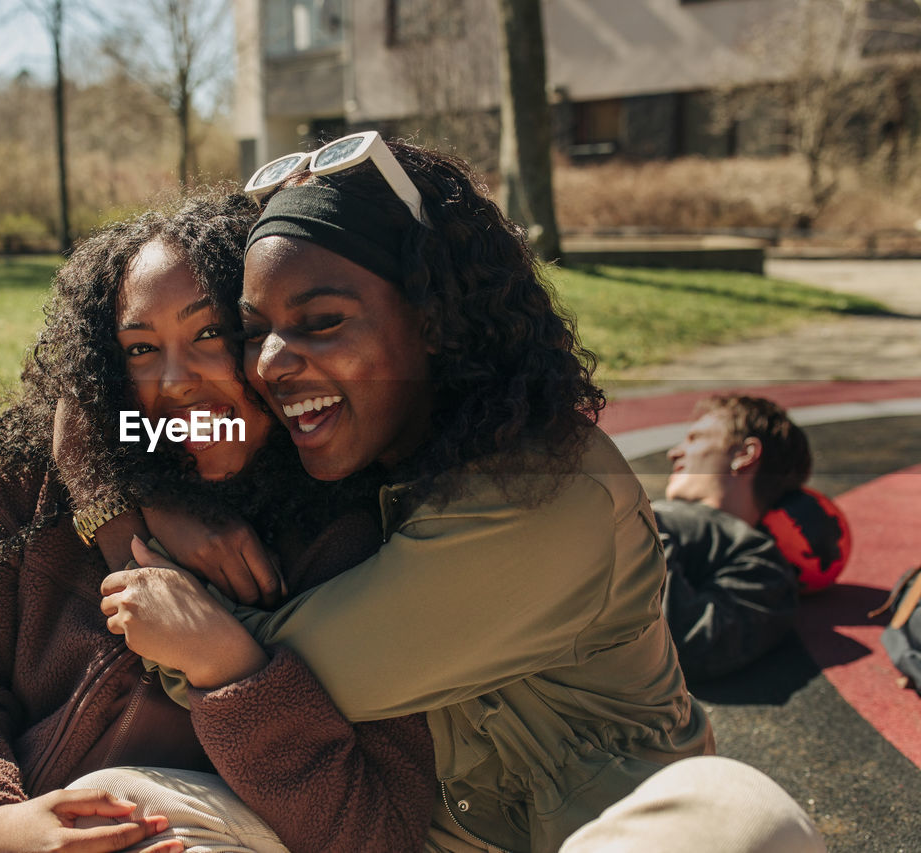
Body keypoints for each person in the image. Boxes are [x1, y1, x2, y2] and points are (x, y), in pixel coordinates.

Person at [95, 134, 722, 853]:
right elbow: (131, 412)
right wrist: (128, 492)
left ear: (431, 320)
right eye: (254, 329)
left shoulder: (550, 489)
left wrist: (127, 547)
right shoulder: (377, 432)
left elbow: (273, 670)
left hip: (614, 835)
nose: (269, 363)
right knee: (120, 810)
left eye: (322, 321)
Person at [0, 190, 435, 853]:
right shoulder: (36, 485)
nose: (176, 379)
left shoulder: (352, 536)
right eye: (139, 348)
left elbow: (377, 830)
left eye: (210, 333)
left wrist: (228, 671)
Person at [657, 395, 812, 681]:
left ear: (745, 454)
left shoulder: (757, 560)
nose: (673, 453)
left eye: (695, 438)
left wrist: (638, 527)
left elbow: (688, 644)